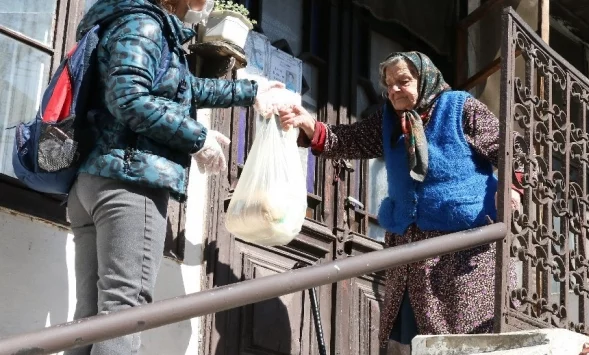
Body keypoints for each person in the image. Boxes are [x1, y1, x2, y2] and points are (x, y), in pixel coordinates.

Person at [65, 0, 281, 354]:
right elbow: (129, 99)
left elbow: (185, 89)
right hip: (130, 183)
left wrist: (252, 92)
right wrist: (197, 139)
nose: (210, 3)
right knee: (123, 312)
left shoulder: (139, 26)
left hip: (97, 181)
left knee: (90, 320)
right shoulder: (144, 25)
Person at [279, 51, 521, 352]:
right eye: (388, 84)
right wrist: (309, 125)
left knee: (462, 339)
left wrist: (511, 186)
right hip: (409, 252)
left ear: (425, 79)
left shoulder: (460, 107)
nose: (393, 90)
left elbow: (509, 149)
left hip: (464, 250)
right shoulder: (389, 121)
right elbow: (349, 139)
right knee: (406, 341)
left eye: (403, 81)